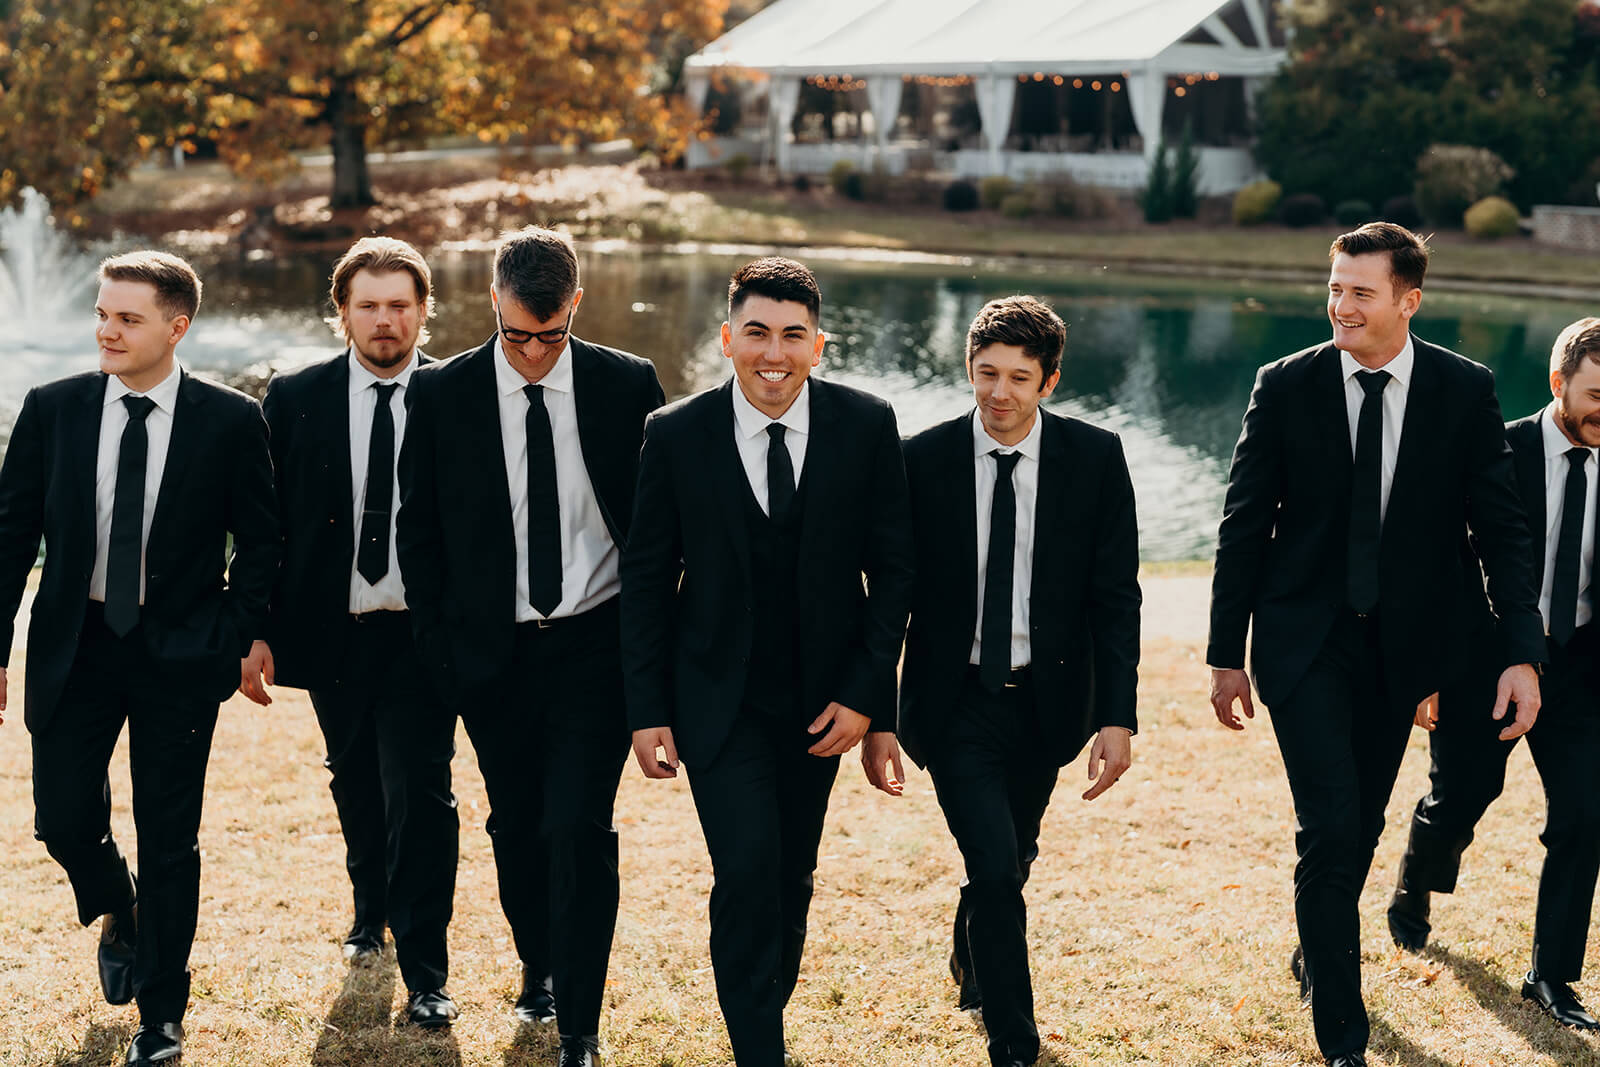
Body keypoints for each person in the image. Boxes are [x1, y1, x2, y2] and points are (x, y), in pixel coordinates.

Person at [1206, 222, 1545, 1067]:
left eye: (1361, 291)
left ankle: (1314, 945)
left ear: (1408, 300)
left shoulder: (1463, 389)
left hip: (1403, 649)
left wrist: (1521, 649)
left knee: (1356, 827)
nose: (1341, 305)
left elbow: (1501, 530)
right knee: (1328, 823)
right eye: (1334, 287)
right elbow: (1244, 525)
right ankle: (1343, 1037)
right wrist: (1225, 652)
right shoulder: (1284, 384)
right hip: (1302, 641)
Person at [621, 256, 915, 1067]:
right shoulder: (674, 434)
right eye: (756, 332)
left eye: (792, 334)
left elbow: (893, 574)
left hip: (824, 706)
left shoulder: (866, 424)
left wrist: (867, 698)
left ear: (819, 344)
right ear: (727, 338)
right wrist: (646, 709)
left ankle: (759, 1008)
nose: (773, 352)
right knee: (747, 869)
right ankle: (760, 1049)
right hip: (718, 703)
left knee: (791, 878)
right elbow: (647, 580)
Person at [0, 251, 278, 1066]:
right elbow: (12, 536)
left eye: (128, 318)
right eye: (102, 313)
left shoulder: (230, 420)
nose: (107, 330)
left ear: (175, 326)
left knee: (170, 838)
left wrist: (235, 629)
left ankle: (161, 1016)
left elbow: (262, 539)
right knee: (61, 819)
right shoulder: (52, 409)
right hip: (74, 646)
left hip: (179, 654)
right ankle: (119, 904)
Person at [396, 225, 663, 1066]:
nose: (537, 352)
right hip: (491, 652)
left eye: (553, 334)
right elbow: (420, 533)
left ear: (576, 304)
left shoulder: (629, 386)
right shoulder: (442, 396)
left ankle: (579, 1023)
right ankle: (540, 964)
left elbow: (658, 532)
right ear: (493, 306)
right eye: (519, 334)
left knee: (579, 823)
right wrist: (444, 652)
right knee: (517, 825)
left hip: (595, 643)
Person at [879, 296, 1140, 1067]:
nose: (998, 392)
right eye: (986, 373)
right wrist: (879, 711)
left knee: (1012, 856)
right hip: (952, 702)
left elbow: (1115, 598)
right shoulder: (919, 460)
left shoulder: (1094, 460)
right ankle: (1014, 1042)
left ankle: (972, 947)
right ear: (968, 367)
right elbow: (892, 595)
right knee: (995, 864)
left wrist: (1116, 718)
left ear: (1048, 381)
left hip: (1048, 705)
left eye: (1018, 378)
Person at [238, 237, 460, 1027]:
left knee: (422, 790)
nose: (385, 319)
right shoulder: (293, 395)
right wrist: (256, 626)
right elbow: (265, 525)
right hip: (332, 631)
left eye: (400, 303)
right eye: (368, 304)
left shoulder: (462, 392)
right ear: (341, 313)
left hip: (424, 635)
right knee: (355, 776)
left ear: (424, 308)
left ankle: (428, 968)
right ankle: (370, 914)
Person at [1386, 317, 1600, 1031]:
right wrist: (1426, 669)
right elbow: (1435, 565)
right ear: (1557, 383)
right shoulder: (1496, 448)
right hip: (1481, 659)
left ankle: (1551, 973)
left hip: (1581, 667)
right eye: (1597, 393)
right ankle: (1418, 879)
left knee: (1586, 814)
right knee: (1464, 795)